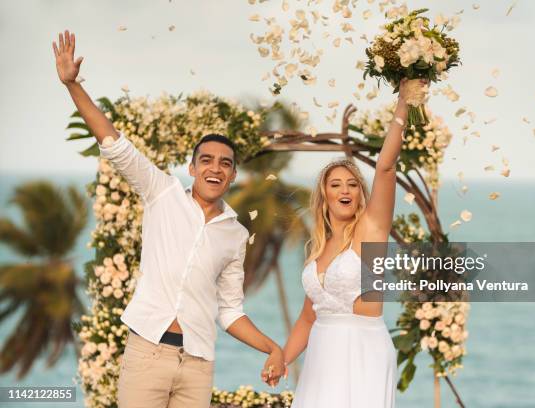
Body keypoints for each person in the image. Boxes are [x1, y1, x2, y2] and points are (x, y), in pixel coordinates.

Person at [52, 30, 284, 408]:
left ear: (233, 176)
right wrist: (72, 85)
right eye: (206, 160)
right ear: (191, 168)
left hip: (197, 365)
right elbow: (115, 144)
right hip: (147, 356)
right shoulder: (162, 192)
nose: (215, 168)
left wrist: (272, 347)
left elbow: (230, 311)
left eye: (225, 163)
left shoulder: (235, 235)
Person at [281, 78, 427, 407]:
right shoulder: (317, 250)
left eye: (352, 185)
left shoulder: (370, 232)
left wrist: (403, 103)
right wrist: (283, 358)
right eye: (336, 185)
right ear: (325, 196)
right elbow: (308, 317)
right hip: (321, 359)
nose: (345, 190)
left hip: (363, 352)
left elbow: (387, 167)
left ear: (361, 194)